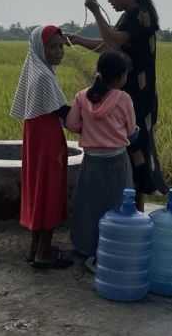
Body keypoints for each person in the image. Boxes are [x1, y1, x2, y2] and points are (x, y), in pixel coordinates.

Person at [67, 0, 167, 210]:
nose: (109, 0)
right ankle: (132, 212)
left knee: (135, 152)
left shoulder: (139, 15)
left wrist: (95, 12)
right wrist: (79, 40)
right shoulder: (132, 13)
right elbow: (110, 45)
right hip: (133, 93)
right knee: (131, 151)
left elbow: (111, 40)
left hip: (137, 95)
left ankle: (135, 213)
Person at [64, 51, 138, 268]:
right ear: (120, 76)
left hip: (92, 161)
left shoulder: (81, 96)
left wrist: (89, 129)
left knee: (88, 206)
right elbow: (131, 130)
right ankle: (113, 248)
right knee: (116, 205)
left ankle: (87, 249)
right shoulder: (123, 99)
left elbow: (72, 125)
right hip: (116, 160)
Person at [10, 25, 73, 269]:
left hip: (35, 139)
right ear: (40, 48)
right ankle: (44, 253)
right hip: (47, 140)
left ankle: (35, 249)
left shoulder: (35, 71)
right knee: (49, 190)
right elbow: (63, 112)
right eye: (53, 47)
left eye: (61, 46)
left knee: (37, 189)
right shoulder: (45, 77)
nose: (59, 52)